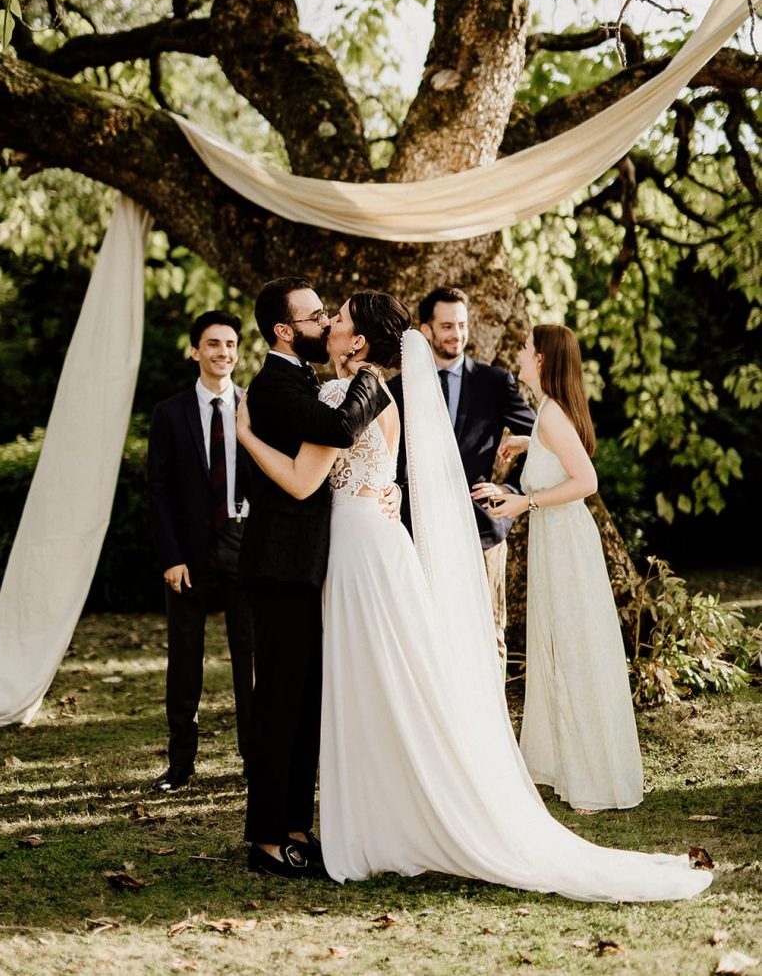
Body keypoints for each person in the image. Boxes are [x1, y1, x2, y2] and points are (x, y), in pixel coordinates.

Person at [237, 291, 712, 902]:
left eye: (341, 318)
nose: (329, 322)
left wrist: (246, 435)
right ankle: (380, 818)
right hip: (370, 544)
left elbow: (308, 479)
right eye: (324, 316)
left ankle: (381, 821)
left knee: (373, 681)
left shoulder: (342, 394)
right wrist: (391, 497)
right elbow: (377, 472)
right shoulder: (374, 391)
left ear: (358, 341)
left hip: (360, 553)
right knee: (384, 682)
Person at [238, 276, 391, 880]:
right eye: (314, 316)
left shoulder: (303, 380)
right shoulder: (275, 383)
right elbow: (334, 434)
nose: (326, 323)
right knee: (278, 702)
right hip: (280, 567)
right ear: (284, 330)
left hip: (310, 566)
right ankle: (267, 838)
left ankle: (297, 825)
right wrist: (373, 379)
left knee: (304, 703)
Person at [478, 325, 644, 812]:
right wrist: (530, 445)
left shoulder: (550, 416)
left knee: (574, 649)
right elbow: (560, 451)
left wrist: (523, 502)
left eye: (528, 350)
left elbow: (586, 480)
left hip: (568, 547)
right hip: (559, 543)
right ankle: (567, 763)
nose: (521, 355)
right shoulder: (548, 416)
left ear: (544, 361)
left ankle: (592, 779)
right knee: (558, 647)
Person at [388, 286, 534, 670]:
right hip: (416, 529)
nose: (457, 334)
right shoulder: (397, 389)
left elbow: (541, 441)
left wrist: (509, 489)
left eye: (462, 325)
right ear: (426, 330)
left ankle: (494, 728)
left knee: (490, 633)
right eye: (447, 326)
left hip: (481, 527)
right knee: (424, 634)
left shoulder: (494, 383)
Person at [148, 310, 254, 792]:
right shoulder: (169, 413)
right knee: (185, 659)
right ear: (195, 351)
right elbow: (159, 490)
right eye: (213, 344)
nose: (223, 353)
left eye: (230, 344)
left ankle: (255, 760)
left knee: (249, 658)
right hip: (188, 552)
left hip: (242, 541)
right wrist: (171, 556)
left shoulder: (253, 406)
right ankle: (180, 764)